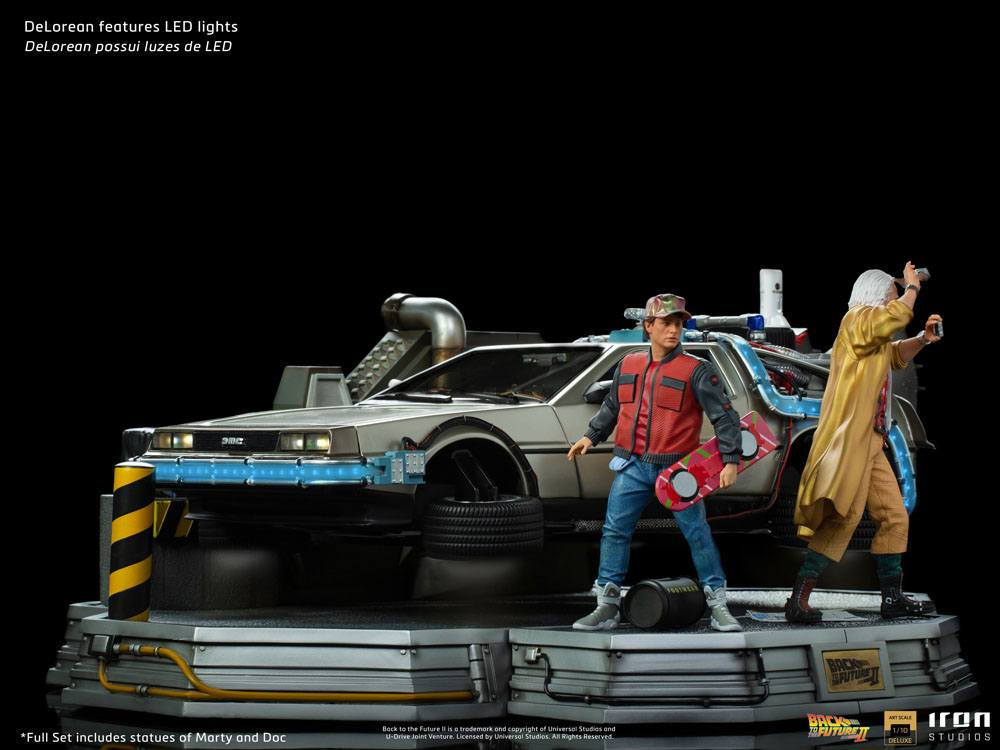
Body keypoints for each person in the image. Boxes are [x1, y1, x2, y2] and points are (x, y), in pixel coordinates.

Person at [567, 293, 743, 632]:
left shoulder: (697, 370)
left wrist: (730, 460)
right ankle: (607, 606)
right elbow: (613, 406)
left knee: (697, 533)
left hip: (678, 470)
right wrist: (591, 436)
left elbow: (725, 417)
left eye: (678, 324)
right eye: (666, 323)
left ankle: (719, 605)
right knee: (615, 531)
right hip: (632, 465)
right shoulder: (629, 363)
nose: (674, 330)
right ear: (648, 326)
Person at [785, 261, 943, 623]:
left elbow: (894, 356)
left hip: (872, 439)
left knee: (894, 516)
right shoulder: (856, 320)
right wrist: (913, 287)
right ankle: (798, 600)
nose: (895, 299)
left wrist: (922, 339)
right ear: (875, 293)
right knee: (846, 516)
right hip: (854, 439)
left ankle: (892, 599)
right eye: (891, 293)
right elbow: (894, 318)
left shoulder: (871, 332)